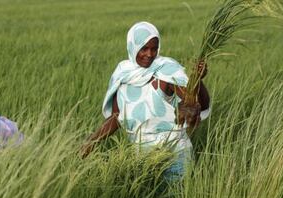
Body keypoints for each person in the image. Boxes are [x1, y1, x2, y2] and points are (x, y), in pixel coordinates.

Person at [81, 21, 210, 180]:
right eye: (144, 48)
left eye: (154, 48)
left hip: (175, 152)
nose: (149, 54)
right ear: (133, 46)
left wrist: (197, 78)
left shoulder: (166, 71)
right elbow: (116, 118)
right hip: (142, 157)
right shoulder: (123, 75)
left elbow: (194, 102)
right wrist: (89, 143)